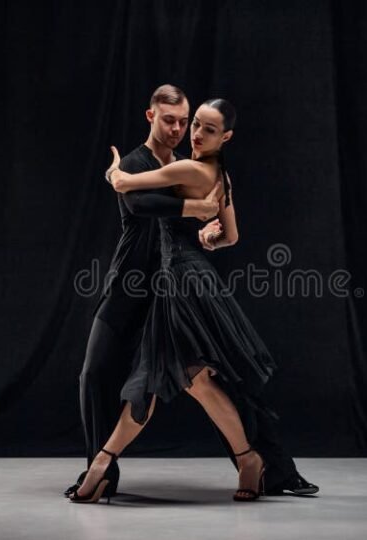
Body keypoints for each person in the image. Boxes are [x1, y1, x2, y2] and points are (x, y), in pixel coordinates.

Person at [69, 96, 318, 503]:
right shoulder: (215, 172)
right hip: (174, 281)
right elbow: (228, 235)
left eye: (199, 126)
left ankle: (101, 465)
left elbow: (126, 188)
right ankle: (247, 459)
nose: (190, 132)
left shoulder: (186, 166)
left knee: (158, 377)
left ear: (226, 136)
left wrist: (115, 173)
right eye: (190, 123)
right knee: (197, 380)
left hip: (179, 285)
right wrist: (205, 230)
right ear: (151, 116)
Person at [65, 85, 220, 499]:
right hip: (128, 284)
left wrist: (205, 230)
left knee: (211, 379)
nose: (177, 128)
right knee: (94, 374)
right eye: (169, 119)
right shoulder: (133, 163)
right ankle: (99, 472)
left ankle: (265, 466)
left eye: (183, 121)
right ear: (150, 117)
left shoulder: (187, 167)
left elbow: (191, 227)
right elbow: (139, 206)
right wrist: (193, 210)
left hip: (171, 293)